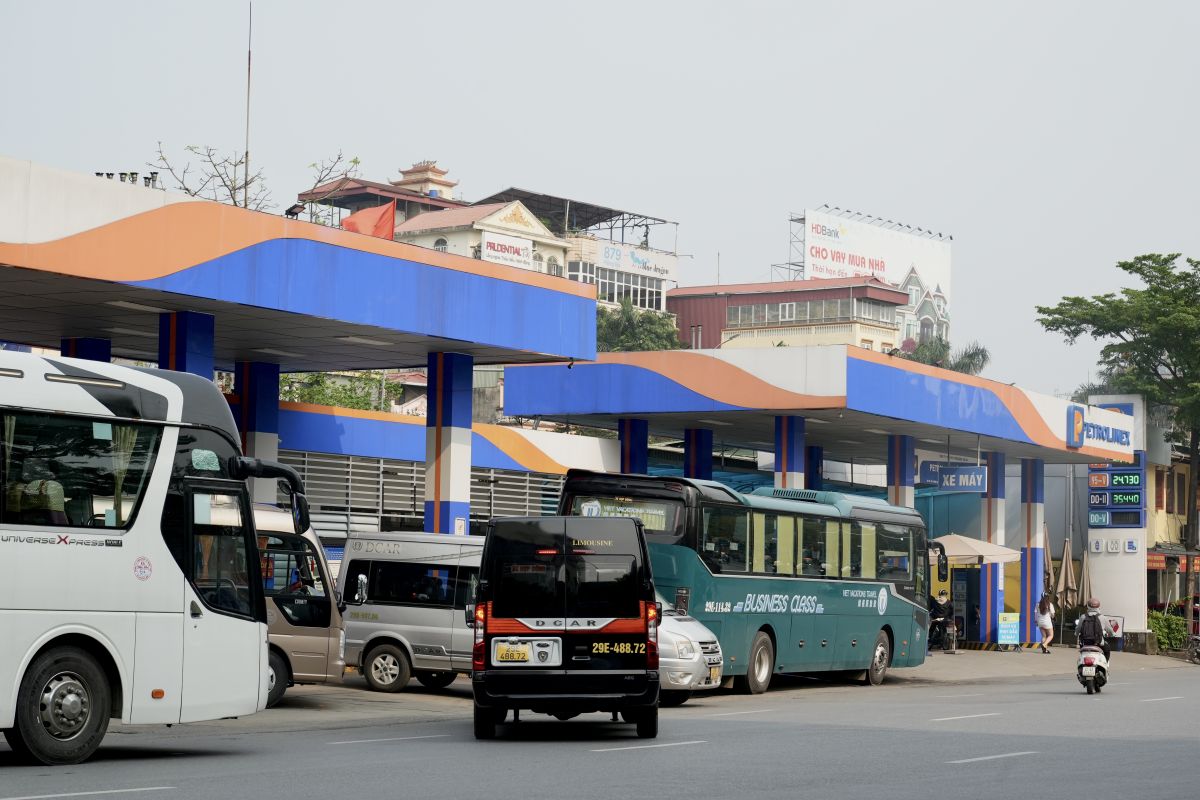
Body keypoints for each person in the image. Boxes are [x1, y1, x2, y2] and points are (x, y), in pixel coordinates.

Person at [1075, 596, 1115, 662]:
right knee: (1107, 649)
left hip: (1085, 643)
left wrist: (1076, 633)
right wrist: (1112, 634)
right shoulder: (1103, 618)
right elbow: (1110, 631)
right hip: (1099, 643)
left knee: (1082, 654)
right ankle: (1105, 663)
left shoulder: (1083, 617)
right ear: (1099, 607)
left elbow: (1077, 630)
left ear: (1088, 606)